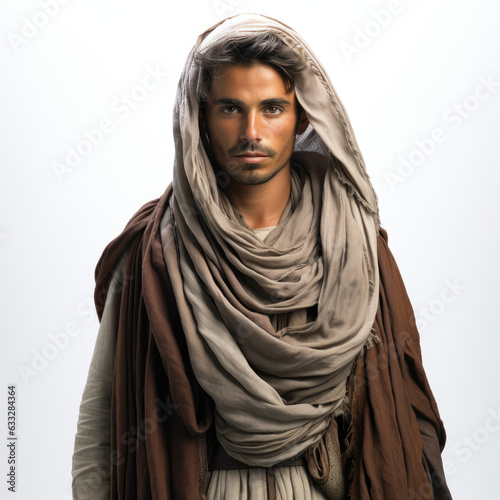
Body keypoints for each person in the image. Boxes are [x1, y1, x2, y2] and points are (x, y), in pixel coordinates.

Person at [72, 13, 452, 500]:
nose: (252, 130)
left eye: (272, 108)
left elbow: (408, 410)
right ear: (201, 119)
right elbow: (100, 423)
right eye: (230, 108)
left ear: (302, 118)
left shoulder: (356, 245)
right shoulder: (155, 254)